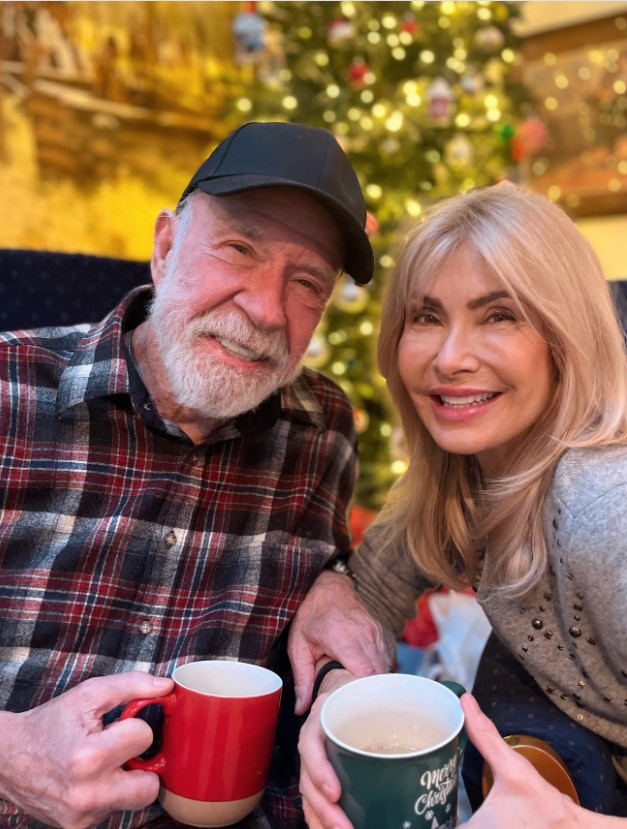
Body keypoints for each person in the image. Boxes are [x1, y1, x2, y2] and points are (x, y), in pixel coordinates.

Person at [0, 121, 389, 829]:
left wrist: (334, 588)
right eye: (239, 248)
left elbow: (322, 562)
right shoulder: (9, 390)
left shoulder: (322, 428)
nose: (266, 310)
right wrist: (10, 753)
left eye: (307, 283)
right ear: (165, 246)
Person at [296, 183, 627, 828]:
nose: (450, 358)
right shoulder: (463, 476)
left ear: (566, 340)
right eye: (426, 317)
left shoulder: (618, 510)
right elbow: (366, 593)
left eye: (499, 315)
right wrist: (336, 701)